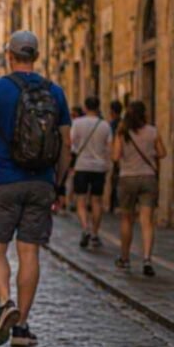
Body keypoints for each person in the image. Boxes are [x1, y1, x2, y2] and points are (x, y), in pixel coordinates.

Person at [0, 30, 71, 347]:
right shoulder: (55, 92)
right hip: (41, 182)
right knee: (30, 253)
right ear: (36, 57)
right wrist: (59, 182)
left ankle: (5, 302)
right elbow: (66, 143)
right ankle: (22, 327)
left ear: (9, 56)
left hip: (3, 179)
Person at [111, 101, 165, 276]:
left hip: (127, 178)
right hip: (148, 177)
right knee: (147, 221)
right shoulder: (152, 131)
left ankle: (125, 258)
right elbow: (162, 153)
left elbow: (115, 156)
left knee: (127, 219)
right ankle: (147, 259)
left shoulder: (122, 132)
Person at [71, 96, 112, 248]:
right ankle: (95, 233)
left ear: (85, 107)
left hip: (82, 166)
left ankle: (85, 228)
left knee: (81, 200)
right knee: (97, 201)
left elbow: (72, 143)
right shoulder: (105, 125)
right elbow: (109, 148)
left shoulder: (77, 123)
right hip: (99, 167)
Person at [108, 99, 124, 212]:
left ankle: (113, 203)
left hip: (115, 155)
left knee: (114, 180)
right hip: (124, 157)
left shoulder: (112, 125)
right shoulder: (124, 123)